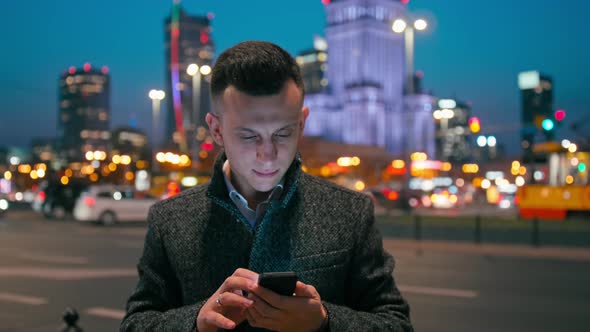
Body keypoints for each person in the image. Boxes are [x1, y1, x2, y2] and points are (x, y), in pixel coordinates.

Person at [121, 40, 413, 332]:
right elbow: (136, 323)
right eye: (249, 136)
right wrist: (195, 322)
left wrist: (324, 321)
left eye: (283, 134)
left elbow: (396, 324)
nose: (268, 154)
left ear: (301, 123)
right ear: (217, 130)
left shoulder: (350, 212)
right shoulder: (170, 218)